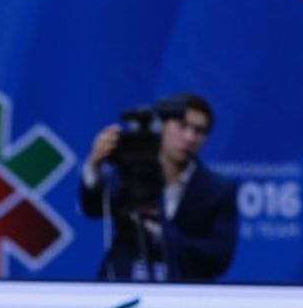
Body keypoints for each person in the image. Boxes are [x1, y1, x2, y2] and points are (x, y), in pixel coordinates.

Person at [78, 91, 237, 281]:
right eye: (182, 126)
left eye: (199, 131)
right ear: (162, 127)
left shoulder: (218, 190)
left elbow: (219, 257)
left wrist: (164, 236)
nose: (189, 137)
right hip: (124, 286)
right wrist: (94, 165)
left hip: (187, 295)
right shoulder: (131, 173)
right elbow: (93, 207)